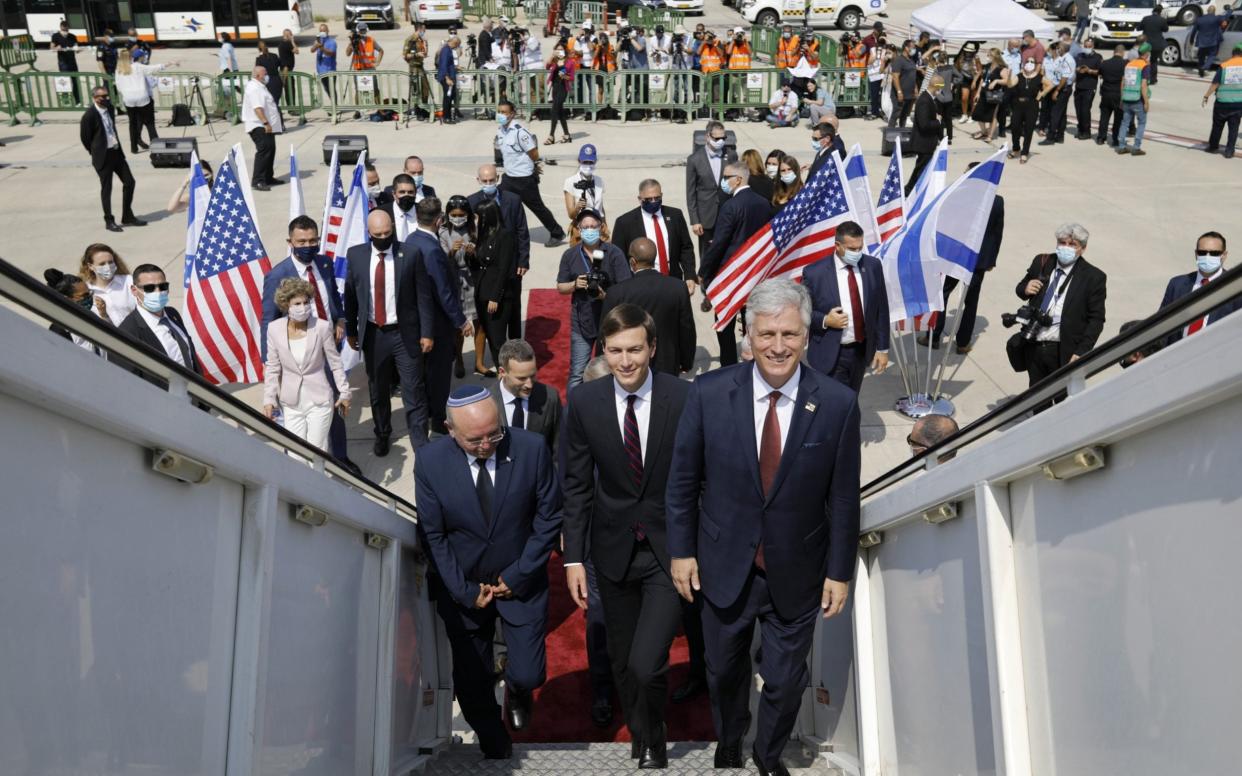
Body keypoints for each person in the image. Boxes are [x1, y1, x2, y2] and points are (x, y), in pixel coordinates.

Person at [666, 278, 861, 776]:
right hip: (722, 564)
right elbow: (683, 481)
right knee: (723, 670)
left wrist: (839, 572)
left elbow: (842, 497)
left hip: (798, 571)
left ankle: (767, 754)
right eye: (767, 334)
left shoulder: (837, 404)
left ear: (807, 336)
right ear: (748, 336)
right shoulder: (709, 393)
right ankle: (730, 735)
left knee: (785, 679)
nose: (778, 347)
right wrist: (682, 552)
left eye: (790, 335)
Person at [563, 303, 691, 769]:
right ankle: (639, 730)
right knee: (620, 661)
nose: (625, 361)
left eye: (635, 349)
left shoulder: (683, 398)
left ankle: (654, 732)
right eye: (615, 351)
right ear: (604, 351)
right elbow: (575, 484)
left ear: (652, 348)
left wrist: (690, 547)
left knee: (646, 660)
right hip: (611, 549)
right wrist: (573, 557)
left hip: (667, 552)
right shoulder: (583, 402)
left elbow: (700, 476)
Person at [416, 385, 562, 760]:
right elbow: (433, 534)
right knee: (472, 679)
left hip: (521, 581)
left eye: (494, 434)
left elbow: (548, 518)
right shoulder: (430, 462)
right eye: (475, 439)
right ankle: (494, 741)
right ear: (450, 430)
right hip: (465, 589)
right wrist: (464, 591)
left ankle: (516, 687)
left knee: (530, 674)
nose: (487, 445)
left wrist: (520, 573)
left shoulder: (531, 449)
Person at [261, 216, 356, 471]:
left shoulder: (323, 262)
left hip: (326, 343)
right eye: (302, 241)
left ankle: (340, 458)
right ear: (290, 242)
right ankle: (297, 465)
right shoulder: (277, 275)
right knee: (296, 411)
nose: (308, 245)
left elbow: (332, 296)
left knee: (332, 400)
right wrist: (270, 364)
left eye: (313, 240)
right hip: (297, 352)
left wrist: (340, 320)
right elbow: (269, 320)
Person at [344, 209, 434, 456]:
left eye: (387, 233)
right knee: (378, 389)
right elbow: (351, 296)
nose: (383, 237)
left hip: (405, 334)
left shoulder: (410, 254)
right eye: (378, 234)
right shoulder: (356, 256)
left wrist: (427, 332)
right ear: (369, 233)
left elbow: (423, 297)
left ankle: (419, 440)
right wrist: (352, 331)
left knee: (413, 389)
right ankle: (382, 433)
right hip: (374, 335)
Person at [405, 198, 471, 436]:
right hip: (437, 323)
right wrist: (461, 321)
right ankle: (438, 419)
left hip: (418, 320)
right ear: (439, 220)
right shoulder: (432, 249)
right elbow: (443, 291)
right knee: (440, 373)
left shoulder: (411, 240)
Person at [1013, 223, 1108, 388]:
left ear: (1082, 249)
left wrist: (1082, 351)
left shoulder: (1093, 277)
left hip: (1063, 350)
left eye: (1072, 245)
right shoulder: (1042, 261)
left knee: (1063, 400)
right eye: (1062, 243)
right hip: (1034, 344)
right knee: (1037, 397)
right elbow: (1020, 288)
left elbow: (1096, 319)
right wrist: (1026, 288)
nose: (1066, 247)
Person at [262, 277, 351, 451]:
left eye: (306, 302)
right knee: (296, 453)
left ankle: (319, 479)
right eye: (297, 303)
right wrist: (269, 399)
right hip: (291, 403)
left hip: (319, 401)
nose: (303, 307)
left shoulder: (322, 327)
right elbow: (273, 367)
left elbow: (335, 363)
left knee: (316, 451)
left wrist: (345, 393)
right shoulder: (274, 329)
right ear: (286, 304)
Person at [801, 221, 890, 393]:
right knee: (831, 403)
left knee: (851, 400)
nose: (857, 253)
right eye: (852, 249)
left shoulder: (872, 266)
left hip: (860, 352)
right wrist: (826, 320)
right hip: (831, 353)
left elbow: (881, 309)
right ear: (838, 246)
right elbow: (801, 312)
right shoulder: (814, 273)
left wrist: (882, 349)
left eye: (860, 247)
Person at [700, 162, 773, 367]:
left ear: (738, 179)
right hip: (755, 275)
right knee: (752, 324)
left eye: (726, 177)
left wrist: (704, 270)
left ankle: (729, 365)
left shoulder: (730, 206)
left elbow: (720, 243)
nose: (723, 182)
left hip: (730, 276)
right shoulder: (763, 203)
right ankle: (755, 362)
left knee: (725, 326)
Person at [926, 165, 1005, 353]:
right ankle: (962, 343)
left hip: (955, 257)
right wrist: (991, 260)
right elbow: (996, 234)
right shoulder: (997, 201)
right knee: (971, 301)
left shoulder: (955, 197)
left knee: (942, 294)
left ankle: (934, 335)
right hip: (978, 261)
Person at [556, 209, 632, 387]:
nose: (589, 230)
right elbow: (561, 287)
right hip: (581, 322)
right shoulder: (570, 255)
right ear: (579, 230)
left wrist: (605, 295)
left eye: (593, 226)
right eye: (585, 227)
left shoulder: (614, 253)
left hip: (611, 322)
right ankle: (574, 413)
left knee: (613, 369)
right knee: (577, 373)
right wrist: (575, 284)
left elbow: (625, 288)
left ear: (601, 227)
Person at [601, 238, 697, 376]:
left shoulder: (616, 293)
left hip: (628, 366)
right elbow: (686, 328)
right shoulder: (677, 287)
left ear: (632, 261)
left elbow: (605, 333)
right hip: (668, 363)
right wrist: (687, 361)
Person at [469, 164, 531, 341]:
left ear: (498, 178)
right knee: (491, 307)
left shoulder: (512, 200)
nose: (488, 183)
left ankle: (516, 344)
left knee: (513, 308)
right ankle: (496, 341)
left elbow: (522, 231)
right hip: (487, 266)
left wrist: (523, 260)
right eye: (485, 180)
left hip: (511, 264)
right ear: (478, 180)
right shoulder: (472, 202)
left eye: (491, 180)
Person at [496, 100, 566, 247]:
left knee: (537, 208)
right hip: (509, 177)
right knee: (498, 204)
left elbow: (533, 152)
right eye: (499, 112)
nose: (500, 115)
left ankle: (557, 232)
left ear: (512, 114)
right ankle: (504, 233)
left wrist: (534, 165)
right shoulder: (500, 130)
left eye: (504, 112)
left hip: (524, 179)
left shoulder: (520, 132)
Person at [610, 178, 697, 291]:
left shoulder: (675, 215)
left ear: (661, 195)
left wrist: (690, 275)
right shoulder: (625, 222)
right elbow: (619, 257)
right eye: (648, 199)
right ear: (640, 199)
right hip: (641, 286)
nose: (653, 201)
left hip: (673, 280)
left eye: (657, 198)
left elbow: (686, 247)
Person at [80, 85, 142, 233]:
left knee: (130, 182)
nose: (105, 99)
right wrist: (95, 151)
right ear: (94, 98)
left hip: (116, 152)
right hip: (103, 157)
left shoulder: (110, 109)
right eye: (102, 96)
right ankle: (109, 220)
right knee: (107, 189)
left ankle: (127, 215)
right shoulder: (89, 115)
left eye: (107, 95)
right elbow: (85, 138)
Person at [1158, 231, 1238, 343]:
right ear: (1196, 254)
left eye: (1214, 253)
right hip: (1177, 354)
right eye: (1202, 252)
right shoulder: (1177, 284)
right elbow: (1161, 326)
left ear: (1224, 255)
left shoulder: (1235, 287)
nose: (1207, 257)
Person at [118, 264, 200, 373]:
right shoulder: (128, 331)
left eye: (162, 286)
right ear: (134, 290)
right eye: (150, 288)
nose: (158, 292)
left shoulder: (172, 314)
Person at [438, 196, 484, 376]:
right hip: (455, 281)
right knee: (459, 325)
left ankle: (479, 362)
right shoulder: (442, 233)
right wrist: (452, 252)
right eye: (454, 215)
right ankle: (459, 359)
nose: (457, 218)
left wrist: (474, 252)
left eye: (461, 215)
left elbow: (485, 253)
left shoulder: (476, 230)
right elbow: (441, 261)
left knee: (479, 323)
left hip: (474, 280)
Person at [471, 198, 518, 368]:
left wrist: (495, 297)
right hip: (482, 292)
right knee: (490, 335)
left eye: (477, 217)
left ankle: (505, 372)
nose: (475, 220)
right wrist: (471, 254)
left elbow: (504, 269)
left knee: (498, 338)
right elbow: (480, 265)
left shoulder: (504, 236)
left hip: (498, 296)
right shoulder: (482, 235)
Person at [686, 121, 737, 265]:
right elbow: (690, 192)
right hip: (706, 215)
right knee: (706, 252)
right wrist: (695, 220)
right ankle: (705, 281)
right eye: (717, 138)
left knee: (726, 250)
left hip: (726, 213)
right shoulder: (694, 160)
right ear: (708, 137)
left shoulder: (731, 156)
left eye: (723, 138)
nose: (721, 142)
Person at [494, 339, 561, 449]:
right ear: (502, 372)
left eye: (533, 375)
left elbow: (558, 447)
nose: (529, 384)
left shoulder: (550, 397)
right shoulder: (486, 401)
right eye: (521, 378)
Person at [113, 49, 173, 154]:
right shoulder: (137, 67)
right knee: (149, 123)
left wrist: (127, 93)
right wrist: (168, 64)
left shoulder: (118, 70)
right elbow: (153, 68)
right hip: (142, 97)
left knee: (132, 124)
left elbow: (118, 87)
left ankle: (134, 148)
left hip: (129, 99)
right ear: (130, 58)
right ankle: (157, 146)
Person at [44, 268, 108, 356]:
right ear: (67, 300)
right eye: (84, 295)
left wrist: (104, 316)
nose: (89, 298)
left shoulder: (91, 316)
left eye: (89, 293)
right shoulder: (59, 332)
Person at [243, 66, 283, 191]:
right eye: (264, 73)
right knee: (264, 150)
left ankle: (268, 177)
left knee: (271, 149)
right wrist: (265, 123)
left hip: (264, 125)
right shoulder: (254, 88)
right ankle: (258, 180)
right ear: (257, 75)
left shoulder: (260, 86)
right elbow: (257, 108)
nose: (267, 75)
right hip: (258, 125)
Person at [78, 243, 135, 326]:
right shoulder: (86, 292)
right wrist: (103, 315)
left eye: (110, 262)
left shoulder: (129, 281)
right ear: (90, 266)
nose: (108, 267)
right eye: (102, 264)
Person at [1203, 42, 1242, 158]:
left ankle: (1213, 147)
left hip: (1222, 101)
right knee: (1234, 128)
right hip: (1238, 102)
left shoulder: (1224, 66)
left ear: (1233, 53)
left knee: (1217, 125)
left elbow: (1216, 83)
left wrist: (1206, 95)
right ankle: (1229, 151)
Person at [1009, 58, 1051, 164]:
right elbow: (1010, 85)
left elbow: (1051, 84)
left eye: (1032, 61)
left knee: (1029, 129)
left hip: (1032, 105)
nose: (1029, 63)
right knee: (1015, 127)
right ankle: (1016, 148)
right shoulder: (1019, 76)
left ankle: (1024, 152)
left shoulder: (1039, 77)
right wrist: (1009, 75)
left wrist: (1042, 94)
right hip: (1018, 104)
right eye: (1027, 61)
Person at [907, 76, 944, 195]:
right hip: (924, 143)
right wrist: (938, 121)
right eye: (941, 88)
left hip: (928, 142)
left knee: (921, 168)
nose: (941, 91)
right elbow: (924, 124)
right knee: (921, 169)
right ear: (936, 87)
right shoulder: (924, 100)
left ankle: (910, 189)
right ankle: (909, 190)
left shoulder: (930, 99)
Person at [1117, 45, 1152, 156]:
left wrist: (1122, 98)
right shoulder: (1144, 66)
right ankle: (1136, 147)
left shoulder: (1129, 64)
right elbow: (1143, 85)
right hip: (1138, 99)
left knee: (1124, 123)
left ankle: (1121, 146)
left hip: (1127, 98)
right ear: (1146, 54)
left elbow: (1122, 82)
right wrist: (1146, 101)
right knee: (1141, 122)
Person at [1038, 42, 1075, 146]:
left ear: (1064, 48)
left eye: (1059, 48)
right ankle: (1060, 136)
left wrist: (1057, 90)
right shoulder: (1064, 58)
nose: (1058, 49)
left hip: (1062, 89)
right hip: (1062, 87)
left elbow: (1065, 77)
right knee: (1062, 114)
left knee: (1055, 114)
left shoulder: (1067, 60)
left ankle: (1050, 138)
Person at [971, 48, 1009, 142]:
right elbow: (982, 80)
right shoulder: (987, 66)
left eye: (989, 55)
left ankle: (990, 136)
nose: (987, 57)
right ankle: (984, 132)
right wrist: (978, 93)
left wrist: (996, 81)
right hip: (984, 93)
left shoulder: (1001, 68)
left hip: (994, 94)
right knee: (977, 114)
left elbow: (1006, 81)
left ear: (995, 57)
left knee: (993, 115)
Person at [563, 143, 606, 223]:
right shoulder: (570, 182)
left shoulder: (599, 181)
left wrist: (605, 225)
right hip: (581, 226)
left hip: (597, 225)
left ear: (595, 161)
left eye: (591, 162)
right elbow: (571, 215)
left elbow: (600, 208)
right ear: (579, 161)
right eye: (585, 162)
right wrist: (577, 208)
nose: (588, 165)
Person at [1096, 45, 1128, 147]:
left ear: (1114, 52)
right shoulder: (1125, 64)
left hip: (1106, 93)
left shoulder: (1105, 63)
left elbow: (1100, 75)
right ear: (1123, 53)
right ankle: (1115, 139)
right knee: (1118, 119)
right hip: (1118, 94)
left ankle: (1101, 137)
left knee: (1104, 117)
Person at [1072, 39, 1103, 140]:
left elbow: (1101, 72)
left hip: (1089, 88)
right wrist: (1077, 69)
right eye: (1085, 46)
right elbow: (1074, 67)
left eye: (1089, 47)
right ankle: (1080, 129)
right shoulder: (1080, 56)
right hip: (1079, 86)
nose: (1087, 48)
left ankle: (1086, 131)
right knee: (1078, 110)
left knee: (1085, 110)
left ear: (1093, 46)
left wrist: (1089, 70)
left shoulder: (1098, 57)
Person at [545, 43, 576, 145]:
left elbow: (571, 77)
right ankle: (567, 135)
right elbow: (547, 67)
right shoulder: (554, 61)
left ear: (565, 51)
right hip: (555, 88)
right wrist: (552, 56)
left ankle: (551, 136)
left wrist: (564, 76)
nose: (559, 52)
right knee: (560, 112)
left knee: (554, 110)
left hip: (563, 88)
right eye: (557, 50)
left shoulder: (570, 62)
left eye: (561, 50)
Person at [888, 39, 919, 128]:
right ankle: (890, 134)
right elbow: (895, 77)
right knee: (896, 113)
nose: (914, 50)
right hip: (900, 94)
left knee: (904, 115)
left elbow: (913, 75)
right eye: (912, 47)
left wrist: (915, 88)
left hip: (909, 94)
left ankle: (901, 132)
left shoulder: (911, 60)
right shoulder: (899, 60)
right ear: (906, 48)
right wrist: (899, 91)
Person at [403, 22, 432, 115]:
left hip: (421, 66)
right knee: (416, 90)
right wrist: (416, 55)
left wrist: (426, 48)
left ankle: (424, 108)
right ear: (419, 29)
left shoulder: (422, 39)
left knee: (425, 88)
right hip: (413, 67)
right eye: (424, 30)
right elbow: (405, 55)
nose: (425, 31)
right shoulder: (410, 40)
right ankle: (417, 110)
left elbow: (425, 52)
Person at [51, 20, 81, 102]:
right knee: (64, 81)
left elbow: (76, 47)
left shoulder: (72, 36)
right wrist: (57, 48)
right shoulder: (55, 36)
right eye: (63, 30)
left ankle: (77, 101)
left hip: (72, 62)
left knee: (75, 81)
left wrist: (77, 49)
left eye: (66, 30)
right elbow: (52, 48)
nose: (65, 32)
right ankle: (66, 101)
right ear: (60, 28)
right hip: (63, 62)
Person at [1191, 5, 1226, 77]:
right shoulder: (1217, 18)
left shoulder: (1199, 19)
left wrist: (1191, 40)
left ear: (1207, 11)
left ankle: (1201, 69)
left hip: (1202, 42)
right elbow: (1225, 18)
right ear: (1214, 11)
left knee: (1201, 56)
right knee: (1212, 55)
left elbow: (1194, 31)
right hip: (1212, 41)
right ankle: (1204, 68)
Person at [1138, 5, 1168, 84]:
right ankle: (1153, 79)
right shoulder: (1162, 20)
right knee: (1154, 62)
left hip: (1146, 43)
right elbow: (1166, 30)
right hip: (1157, 44)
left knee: (1143, 60)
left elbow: (1138, 28)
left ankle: (1142, 77)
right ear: (1160, 12)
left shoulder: (1146, 18)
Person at [311, 24, 338, 102]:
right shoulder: (318, 41)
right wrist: (316, 45)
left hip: (330, 70)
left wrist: (321, 48)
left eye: (324, 30)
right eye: (321, 31)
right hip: (321, 70)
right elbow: (312, 50)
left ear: (328, 31)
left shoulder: (332, 42)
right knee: (327, 89)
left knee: (332, 89)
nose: (322, 32)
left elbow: (331, 53)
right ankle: (334, 105)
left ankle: (335, 107)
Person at [255, 40, 284, 106]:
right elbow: (281, 65)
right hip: (277, 80)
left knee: (270, 104)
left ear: (259, 49)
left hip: (267, 82)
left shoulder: (259, 59)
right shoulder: (274, 56)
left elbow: (257, 71)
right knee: (276, 103)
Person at [278, 28, 298, 103]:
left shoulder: (281, 43)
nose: (291, 36)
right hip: (286, 70)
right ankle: (291, 108)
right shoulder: (287, 44)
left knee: (288, 90)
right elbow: (296, 51)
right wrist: (292, 41)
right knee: (290, 90)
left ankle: (290, 107)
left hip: (285, 70)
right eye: (290, 35)